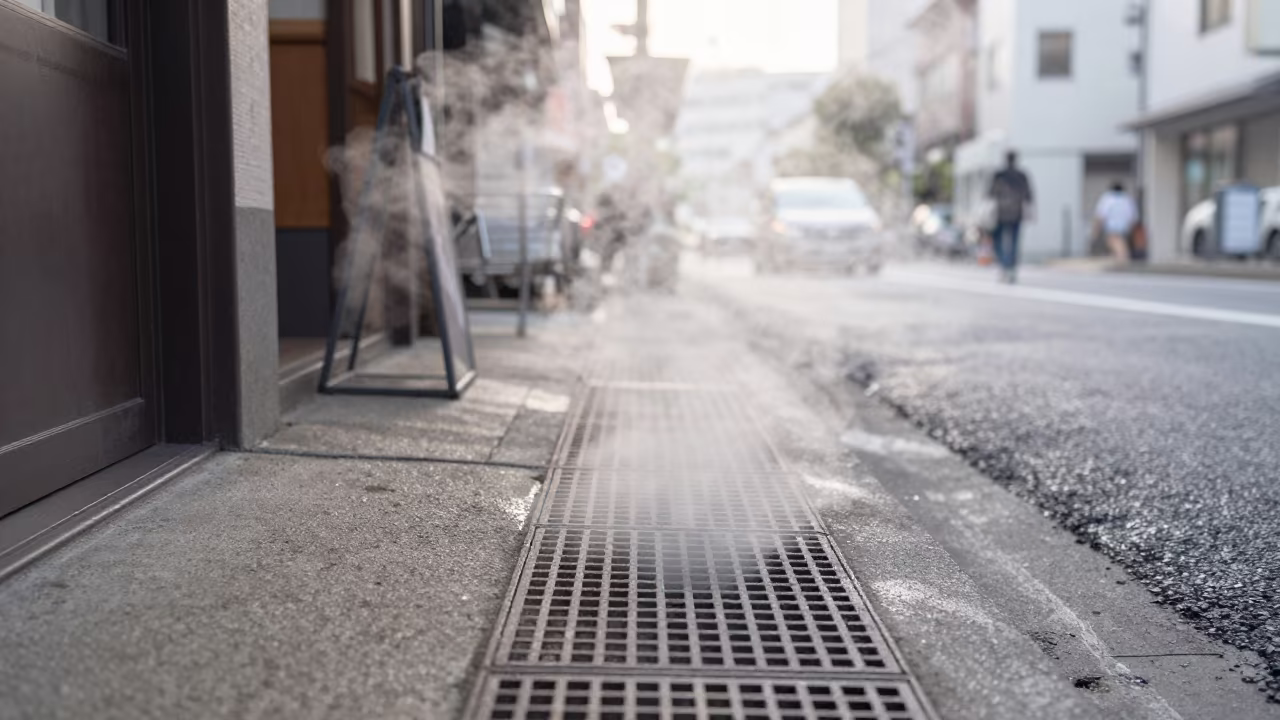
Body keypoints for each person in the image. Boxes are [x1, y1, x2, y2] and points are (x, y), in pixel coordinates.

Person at [988, 151, 1035, 283]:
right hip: (1016, 213)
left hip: (1001, 214)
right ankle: (1011, 268)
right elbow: (1029, 196)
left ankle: (1004, 265)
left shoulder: (999, 175)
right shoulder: (1021, 176)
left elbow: (990, 193)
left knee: (998, 241)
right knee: (1014, 242)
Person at [1093, 181, 1138, 263]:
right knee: (1119, 242)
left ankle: (1122, 258)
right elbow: (1132, 215)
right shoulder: (1127, 198)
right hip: (1124, 225)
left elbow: (1101, 214)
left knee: (1114, 241)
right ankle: (1120, 258)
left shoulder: (1108, 198)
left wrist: (1096, 230)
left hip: (1112, 225)